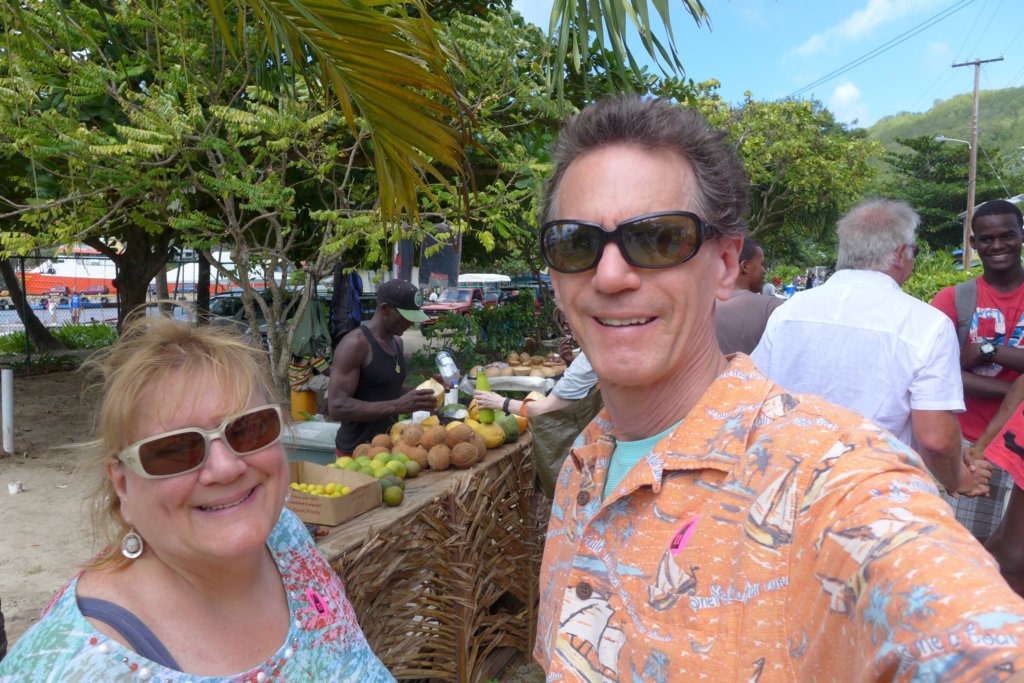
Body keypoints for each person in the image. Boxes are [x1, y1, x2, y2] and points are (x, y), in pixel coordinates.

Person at [533, 95, 1024, 681]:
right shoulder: (586, 458)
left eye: (659, 238)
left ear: (725, 265)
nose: (610, 275)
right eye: (575, 242)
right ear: (554, 277)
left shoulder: (840, 480)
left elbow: (968, 634)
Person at [0, 316, 391, 681]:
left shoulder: (286, 538)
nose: (226, 468)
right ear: (122, 485)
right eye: (175, 449)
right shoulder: (67, 666)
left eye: (248, 429)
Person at [752, 199, 984, 496]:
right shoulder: (927, 325)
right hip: (873, 496)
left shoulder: (789, 311)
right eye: (914, 252)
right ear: (900, 254)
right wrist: (959, 480)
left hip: (785, 483)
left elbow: (754, 395)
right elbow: (935, 438)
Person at [932, 199, 1024, 541]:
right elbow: (940, 375)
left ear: (1022, 235)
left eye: (1007, 235)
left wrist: (989, 350)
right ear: (973, 243)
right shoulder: (953, 300)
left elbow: (961, 370)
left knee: (1014, 556)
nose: (997, 245)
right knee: (970, 549)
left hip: (1020, 442)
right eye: (987, 238)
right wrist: (1016, 389)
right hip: (972, 446)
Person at [328, 278, 437, 456]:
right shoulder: (355, 344)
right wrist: (397, 406)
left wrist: (425, 391)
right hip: (355, 453)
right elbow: (337, 406)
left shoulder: (397, 342)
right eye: (405, 317)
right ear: (385, 309)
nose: (410, 323)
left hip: (389, 447)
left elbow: (385, 389)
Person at [714, 237, 783, 354]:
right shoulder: (772, 307)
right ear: (745, 266)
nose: (764, 271)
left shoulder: (702, 308)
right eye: (761, 264)